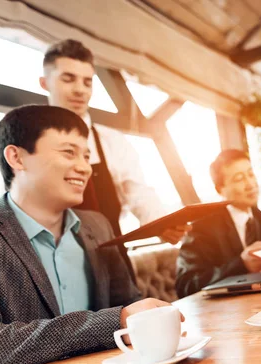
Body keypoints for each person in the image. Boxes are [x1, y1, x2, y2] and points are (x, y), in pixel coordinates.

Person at [0, 105, 180, 364]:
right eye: (69, 152)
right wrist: (115, 321)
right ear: (17, 158)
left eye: (87, 156)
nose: (84, 167)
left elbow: (128, 303)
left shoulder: (98, 226)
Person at [39, 39, 187, 244]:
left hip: (112, 259)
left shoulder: (112, 140)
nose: (80, 90)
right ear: (44, 83)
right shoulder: (29, 144)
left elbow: (137, 192)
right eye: (68, 79)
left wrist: (160, 222)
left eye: (87, 82)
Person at [176, 150, 261, 297]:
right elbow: (186, 285)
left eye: (251, 174)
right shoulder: (201, 227)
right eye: (239, 179)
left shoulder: (257, 216)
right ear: (220, 189)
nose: (250, 184)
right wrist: (241, 264)